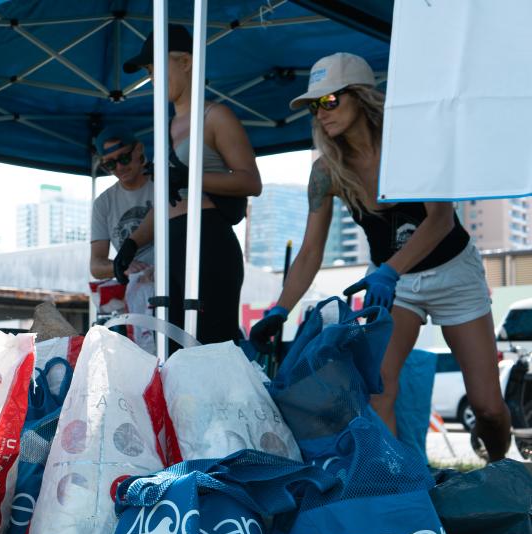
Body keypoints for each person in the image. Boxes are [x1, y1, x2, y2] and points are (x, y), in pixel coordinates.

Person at [249, 52, 511, 461]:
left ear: (361, 96)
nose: (321, 113)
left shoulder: (411, 146)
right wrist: (280, 309)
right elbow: (311, 251)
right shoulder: (327, 172)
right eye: (314, 106)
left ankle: (501, 473)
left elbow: (441, 220)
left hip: (451, 274)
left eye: (330, 100)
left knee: (488, 408)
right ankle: (397, 485)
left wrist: (389, 271)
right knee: (379, 389)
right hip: (393, 286)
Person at [121, 25, 262, 345]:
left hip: (208, 239)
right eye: (148, 72)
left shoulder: (215, 116)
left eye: (156, 69)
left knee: (211, 345)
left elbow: (251, 181)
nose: (152, 79)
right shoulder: (167, 126)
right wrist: (133, 243)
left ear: (185, 62)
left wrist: (190, 178)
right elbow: (165, 200)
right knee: (174, 349)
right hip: (171, 244)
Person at [89, 125, 154, 282]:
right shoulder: (103, 203)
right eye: (110, 164)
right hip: (138, 286)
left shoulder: (164, 184)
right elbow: (96, 266)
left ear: (139, 149)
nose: (119, 167)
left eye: (124, 158)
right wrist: (121, 266)